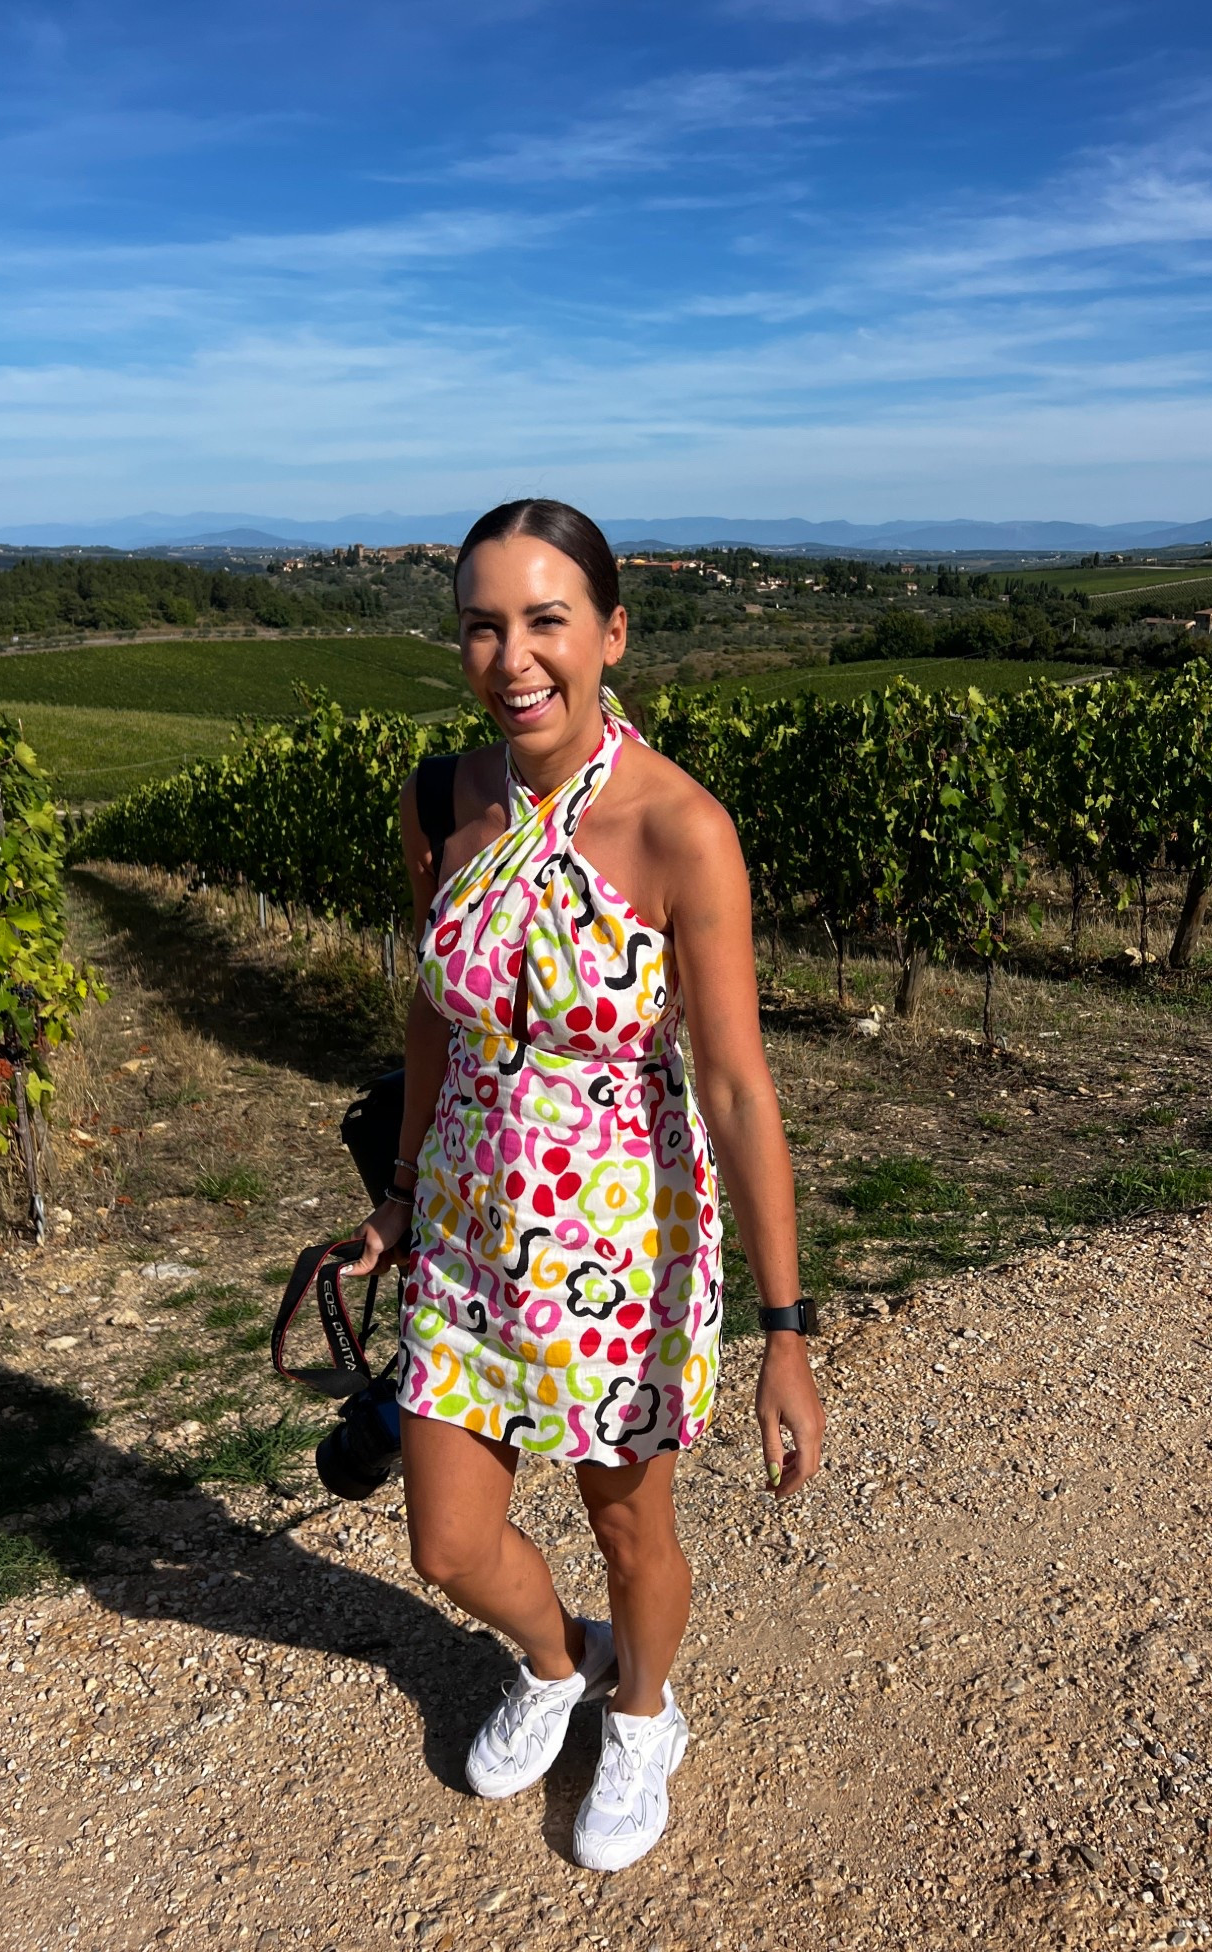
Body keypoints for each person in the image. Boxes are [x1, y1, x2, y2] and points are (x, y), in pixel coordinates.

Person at [349, 498, 824, 1871]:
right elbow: (435, 1015)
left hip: (621, 1241)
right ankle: (561, 1665)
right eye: (484, 625)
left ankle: (644, 1713)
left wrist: (785, 1336)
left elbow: (735, 1087)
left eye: (546, 620)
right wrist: (397, 1193)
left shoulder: (680, 829)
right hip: (468, 1233)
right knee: (447, 1544)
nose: (514, 657)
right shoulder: (444, 801)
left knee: (630, 1523)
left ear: (610, 634)